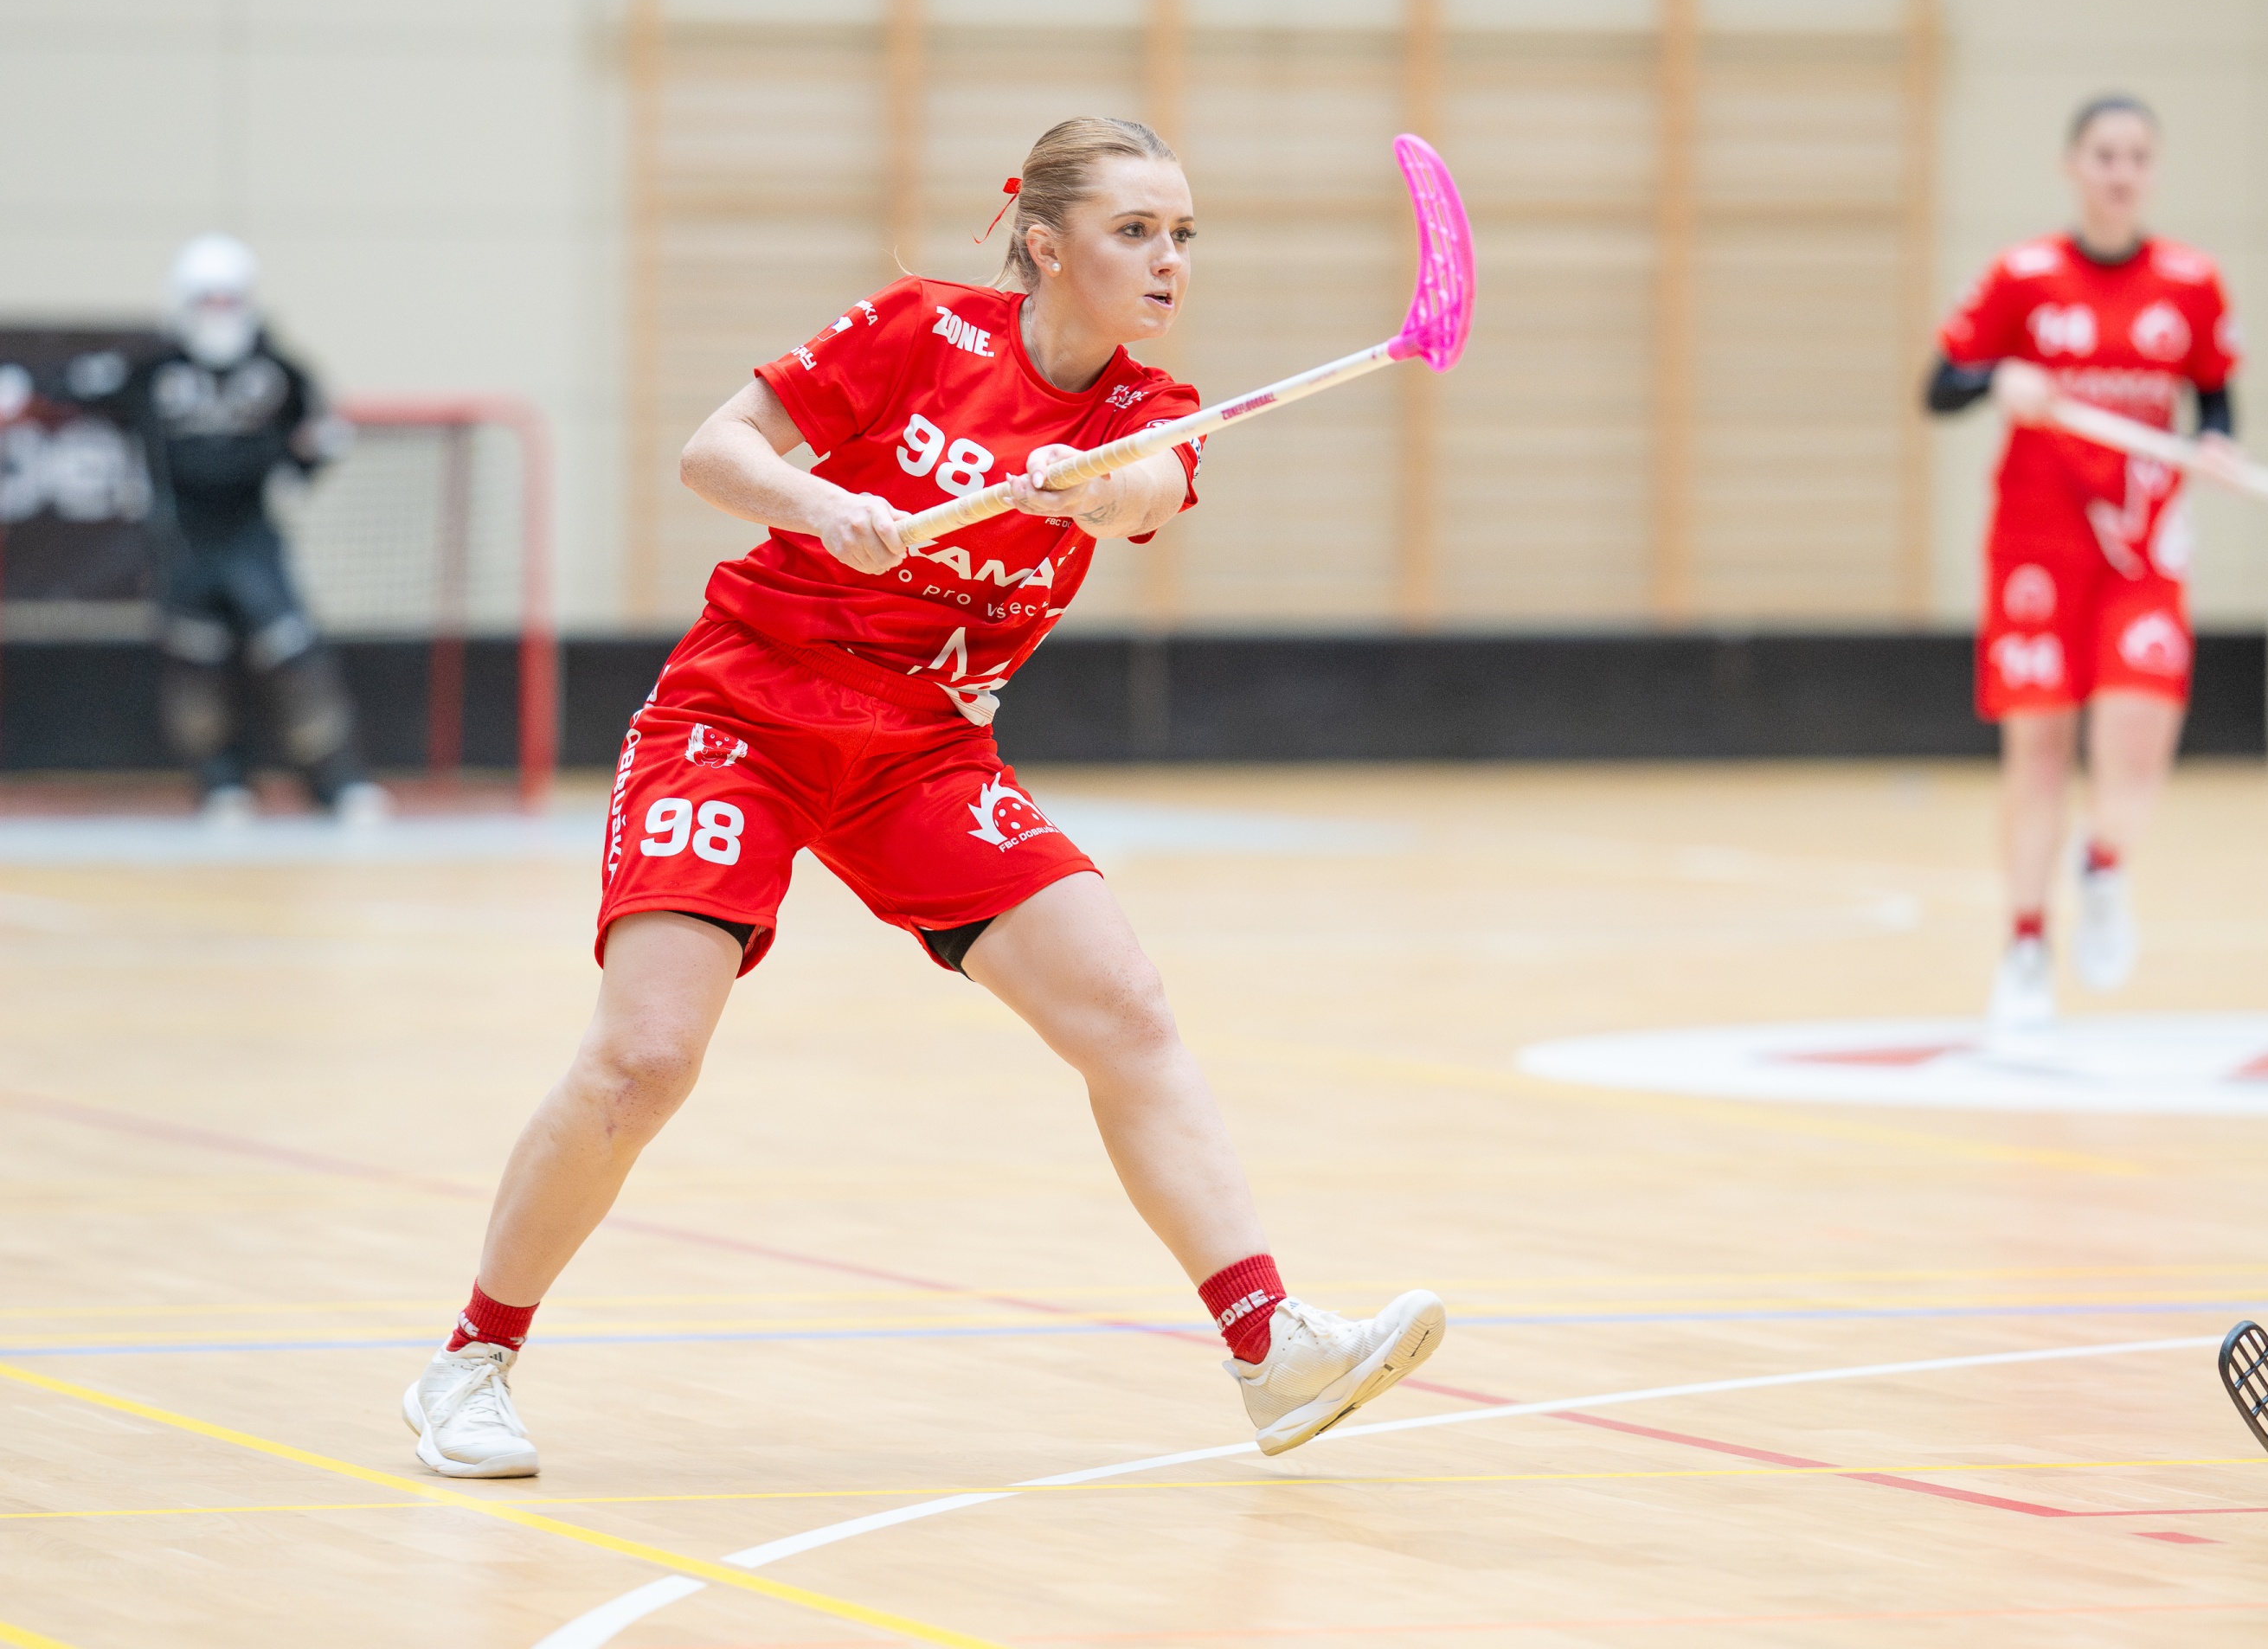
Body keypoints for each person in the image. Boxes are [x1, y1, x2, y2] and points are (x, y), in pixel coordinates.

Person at [401, 117, 1445, 1479]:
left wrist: (1082, 496)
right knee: (647, 1057)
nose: (1169, 259)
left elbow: (1147, 491)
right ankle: (469, 1363)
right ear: (1045, 245)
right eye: (1136, 230)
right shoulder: (918, 331)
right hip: (741, 718)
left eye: (1184, 234)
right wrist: (818, 507)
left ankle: (1270, 1347)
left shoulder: (1145, 409)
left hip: (922, 753)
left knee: (1125, 1011)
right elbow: (715, 453)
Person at [1924, 95, 2243, 1027]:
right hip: (2038, 547)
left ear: (2155, 170)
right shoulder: (2023, 277)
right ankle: (2026, 943)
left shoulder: (2192, 283)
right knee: (2040, 750)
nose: (2120, 171)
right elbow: (1939, 385)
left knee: (2137, 737)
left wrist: (2218, 444)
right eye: (2104, 154)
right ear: (2072, 165)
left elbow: (2216, 396)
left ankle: (2103, 865)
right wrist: (1998, 378)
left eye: (2137, 155)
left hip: (2142, 549)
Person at [68, 234, 386, 824]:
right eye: (207, 300)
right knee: (196, 667)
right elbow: (83, 389)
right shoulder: (155, 372)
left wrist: (312, 458)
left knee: (296, 658)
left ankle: (337, 782)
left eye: (229, 300)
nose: (219, 313)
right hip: (183, 540)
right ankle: (220, 783)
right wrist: (22, 387)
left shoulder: (276, 371)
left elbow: (312, 434)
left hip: (252, 536)